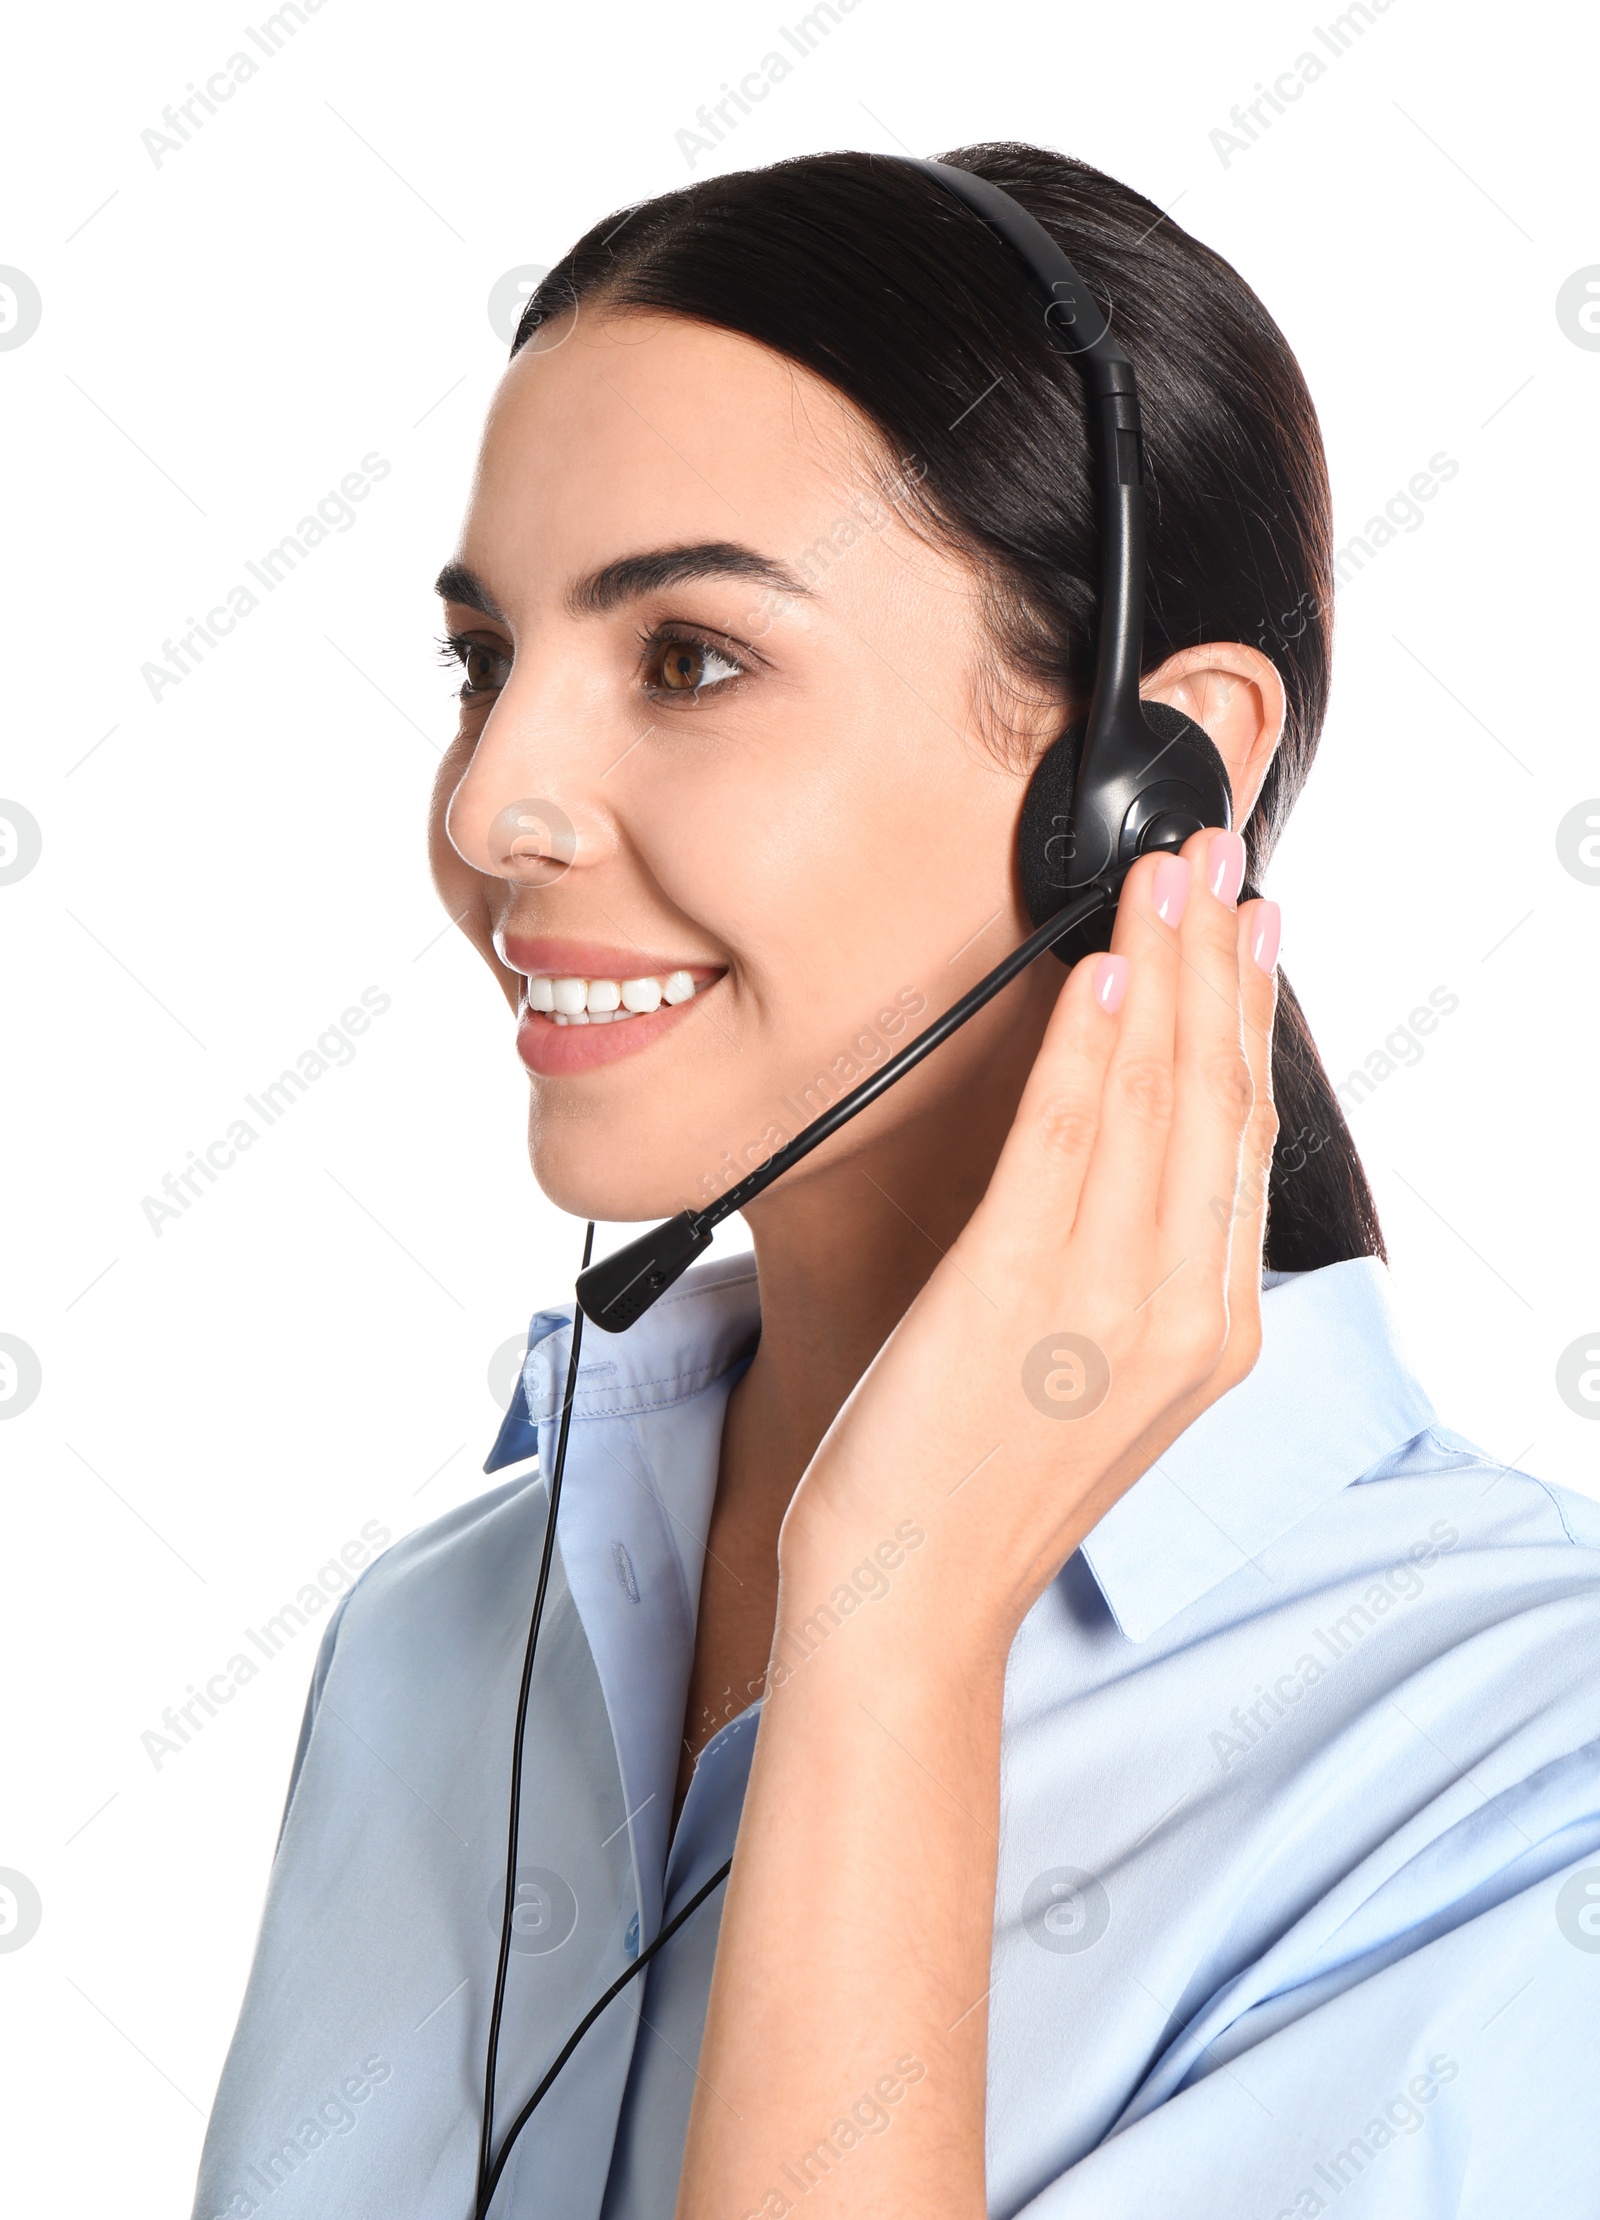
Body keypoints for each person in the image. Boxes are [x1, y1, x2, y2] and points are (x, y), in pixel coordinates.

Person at [190, 144, 1600, 2220]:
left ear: (1148, 777)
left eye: (685, 657)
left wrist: (890, 1629)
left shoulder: (1520, 1782)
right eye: (483, 661)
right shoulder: (443, 1644)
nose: (488, 805)